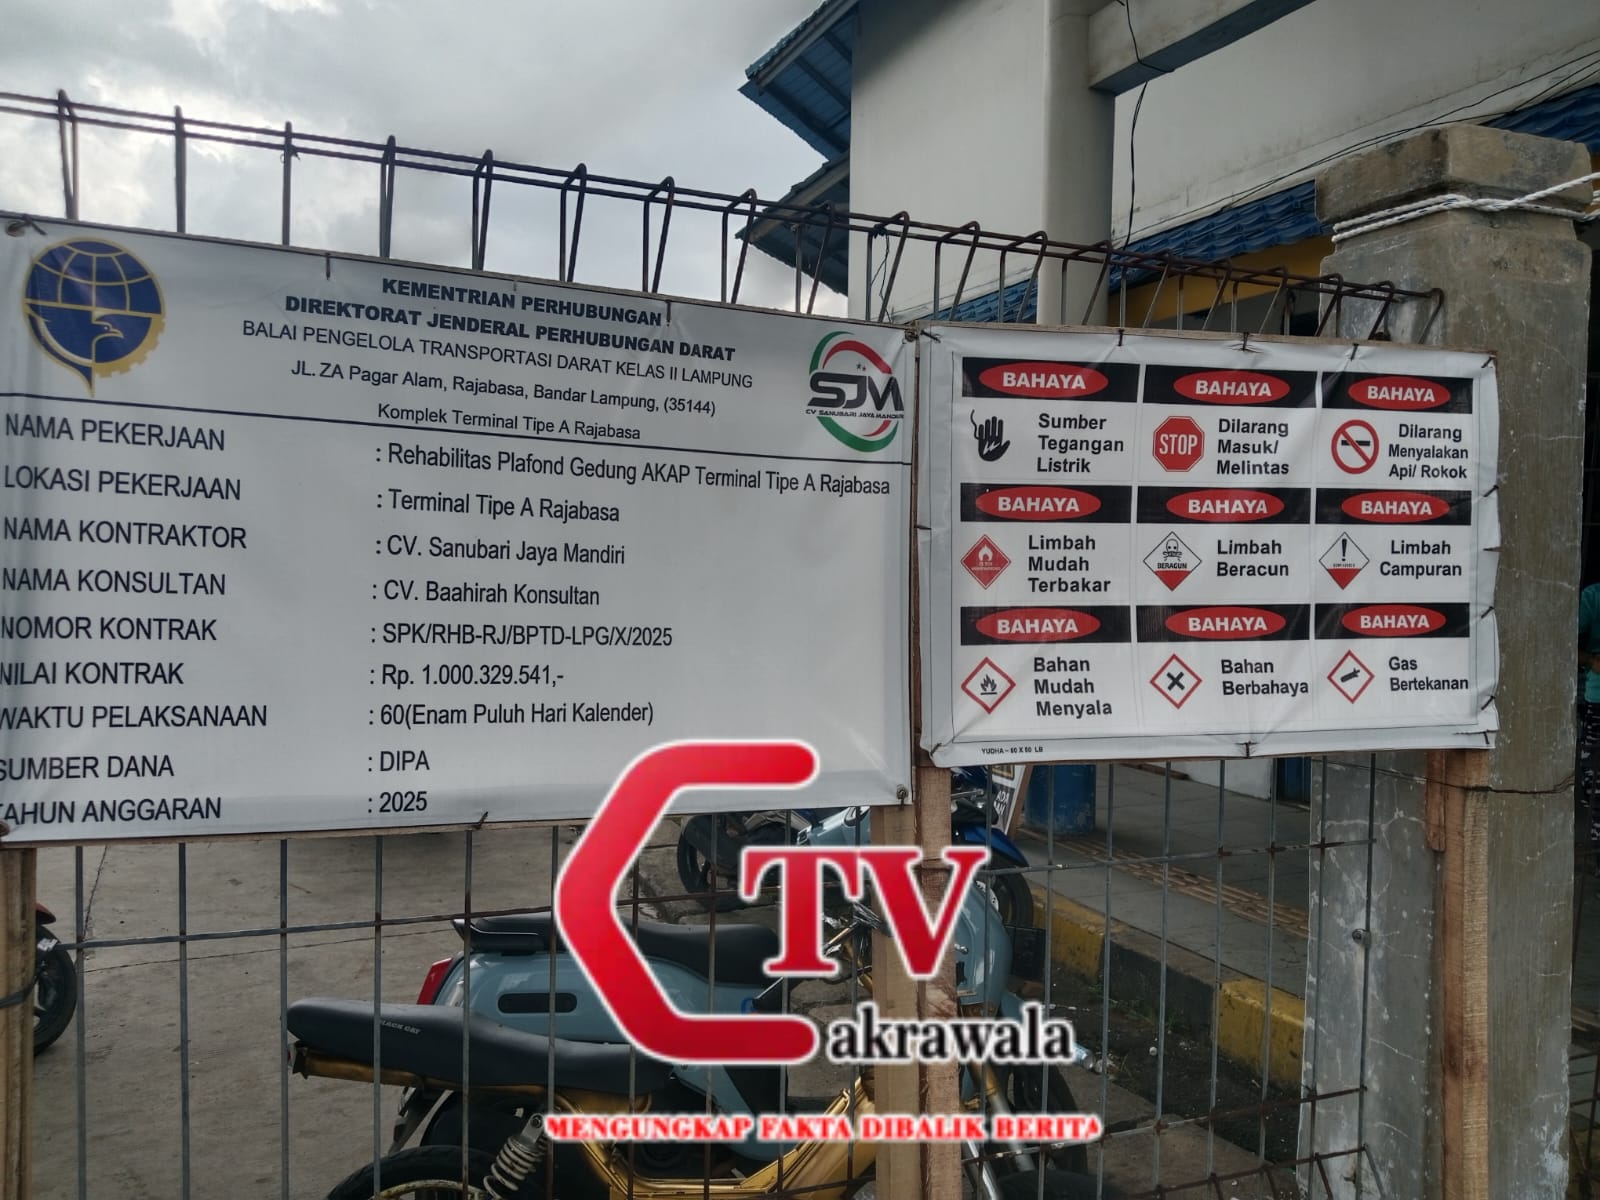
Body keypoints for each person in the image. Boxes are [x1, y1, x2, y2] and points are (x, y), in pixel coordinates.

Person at [1579, 582, 1600, 866]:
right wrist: (1591, 660)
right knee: (1595, 786)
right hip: (1598, 703)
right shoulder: (1593, 597)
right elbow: (1559, 637)